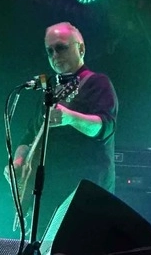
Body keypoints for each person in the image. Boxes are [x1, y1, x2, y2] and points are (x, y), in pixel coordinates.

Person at [7, 22, 118, 231]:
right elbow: (30, 135)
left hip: (85, 195)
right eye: (49, 51)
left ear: (81, 49)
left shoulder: (97, 83)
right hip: (48, 194)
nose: (54, 55)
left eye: (61, 47)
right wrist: (20, 159)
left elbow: (104, 128)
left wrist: (71, 118)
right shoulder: (49, 92)